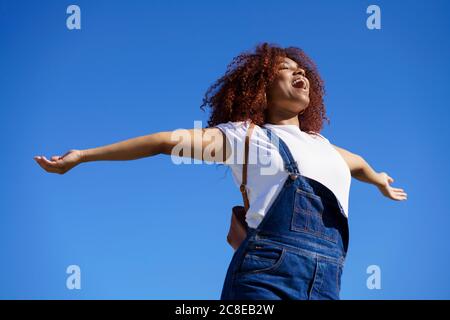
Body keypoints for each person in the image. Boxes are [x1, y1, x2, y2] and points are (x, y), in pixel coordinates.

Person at [33, 42, 407, 300]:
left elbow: (357, 164)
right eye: (286, 71)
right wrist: (83, 155)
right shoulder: (244, 138)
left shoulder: (325, 147)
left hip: (328, 280)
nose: (301, 75)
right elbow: (166, 141)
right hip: (266, 275)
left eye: (303, 71)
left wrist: (378, 179)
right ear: (261, 89)